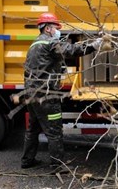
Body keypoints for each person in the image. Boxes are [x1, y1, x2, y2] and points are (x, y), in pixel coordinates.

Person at [21, 12, 103, 170]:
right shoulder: (50, 43)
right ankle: (58, 165)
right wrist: (94, 45)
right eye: (55, 28)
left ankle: (27, 161)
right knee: (54, 130)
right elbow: (72, 50)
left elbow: (41, 66)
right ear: (47, 29)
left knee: (33, 129)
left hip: (32, 95)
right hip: (46, 96)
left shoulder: (35, 44)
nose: (57, 31)